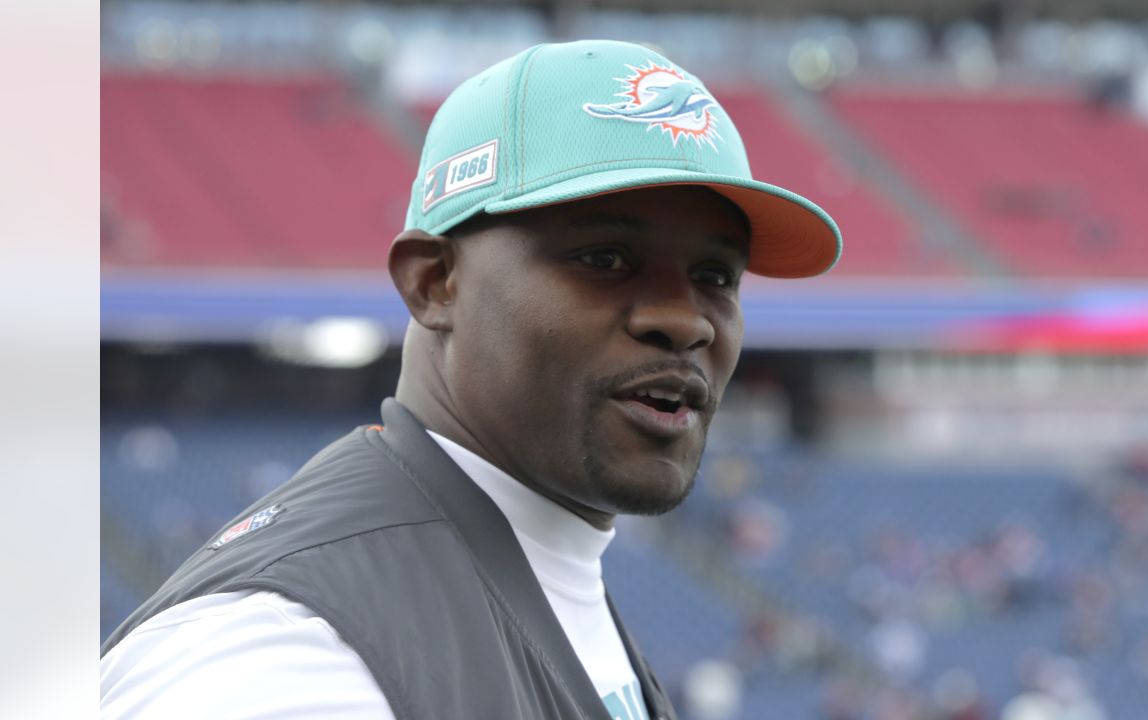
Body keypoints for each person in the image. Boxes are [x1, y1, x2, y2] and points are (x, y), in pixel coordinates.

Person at [100, 39, 841, 719]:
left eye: (715, 275)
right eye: (605, 259)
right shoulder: (285, 659)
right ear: (435, 283)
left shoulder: (542, 555)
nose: (687, 321)